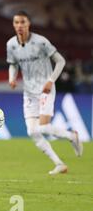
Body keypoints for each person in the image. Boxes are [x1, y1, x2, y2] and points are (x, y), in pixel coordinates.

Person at [7, 10, 83, 175]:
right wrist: (12, 77)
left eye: (23, 22)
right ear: (13, 25)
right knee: (32, 131)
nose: (19, 25)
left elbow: (61, 61)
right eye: (16, 22)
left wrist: (51, 80)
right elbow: (12, 63)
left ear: (29, 24)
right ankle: (59, 164)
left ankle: (72, 136)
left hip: (45, 89)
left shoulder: (41, 42)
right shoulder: (11, 44)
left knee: (43, 128)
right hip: (29, 92)